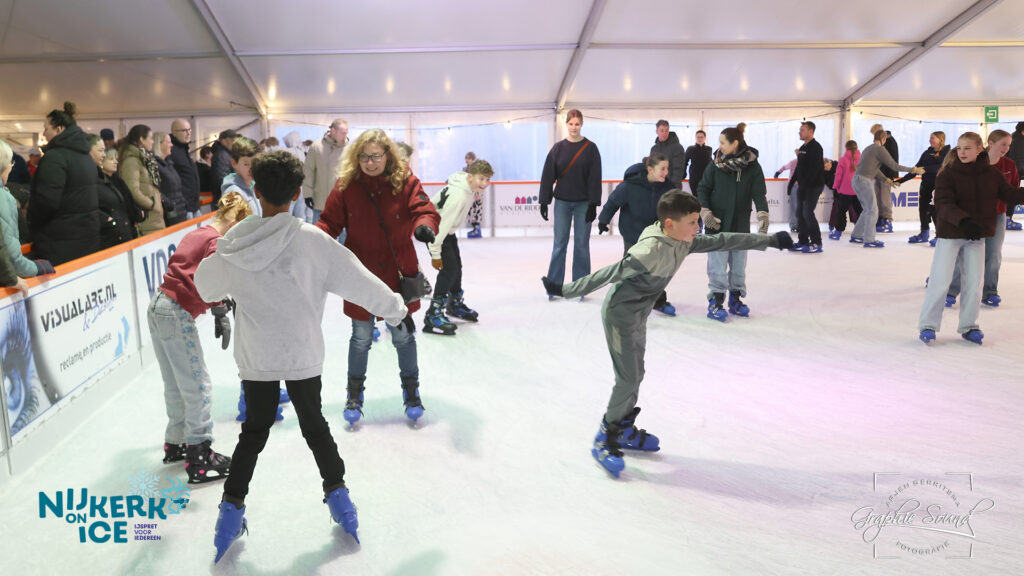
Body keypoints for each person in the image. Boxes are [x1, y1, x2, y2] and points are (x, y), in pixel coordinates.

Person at [194, 151, 408, 561]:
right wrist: (396, 310)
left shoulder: (236, 243)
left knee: (253, 433)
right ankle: (341, 502)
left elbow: (205, 286)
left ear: (256, 190)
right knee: (315, 427)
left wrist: (223, 253)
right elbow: (360, 281)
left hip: (257, 357)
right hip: (301, 353)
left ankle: (229, 514)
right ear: (297, 193)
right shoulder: (313, 241)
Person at [541, 190, 793, 477]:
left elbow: (723, 239)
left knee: (636, 374)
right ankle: (605, 437)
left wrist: (770, 240)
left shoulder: (684, 240)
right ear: (670, 224)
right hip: (619, 316)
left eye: (698, 220)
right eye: (693, 222)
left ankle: (622, 427)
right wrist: (564, 290)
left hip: (639, 315)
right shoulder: (648, 251)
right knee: (627, 378)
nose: (698, 227)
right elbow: (609, 274)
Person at [316, 128, 440, 427]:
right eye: (363, 157)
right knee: (361, 337)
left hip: (398, 271)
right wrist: (310, 240)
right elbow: (329, 222)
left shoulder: (406, 181)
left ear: (387, 156)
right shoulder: (347, 184)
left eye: (375, 156)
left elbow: (424, 208)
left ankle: (412, 392)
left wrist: (424, 225)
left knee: (402, 336)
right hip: (360, 271)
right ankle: (354, 395)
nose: (369, 163)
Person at [150, 191, 252, 488]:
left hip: (158, 306)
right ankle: (199, 454)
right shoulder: (216, 242)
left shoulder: (197, 232)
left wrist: (218, 306)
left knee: (175, 384)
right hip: (176, 311)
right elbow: (212, 276)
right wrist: (220, 308)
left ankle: (177, 442)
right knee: (198, 385)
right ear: (234, 221)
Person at [918, 132, 1024, 345]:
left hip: (977, 236)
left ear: (979, 149)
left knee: (974, 282)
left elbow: (1009, 194)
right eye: (959, 148)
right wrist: (964, 221)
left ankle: (969, 325)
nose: (962, 152)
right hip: (951, 234)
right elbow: (944, 204)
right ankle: (928, 325)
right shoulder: (948, 174)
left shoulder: (991, 174)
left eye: (967, 148)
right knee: (940, 281)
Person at [697, 126, 771, 319]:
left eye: (723, 143)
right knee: (717, 267)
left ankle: (735, 299)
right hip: (717, 224)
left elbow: (759, 193)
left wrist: (763, 214)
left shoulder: (752, 166)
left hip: (740, 224)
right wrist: (705, 212)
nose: (719, 146)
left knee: (738, 266)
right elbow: (703, 189)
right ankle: (716, 301)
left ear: (735, 143)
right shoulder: (715, 164)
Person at [598, 153, 676, 315]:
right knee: (632, 269)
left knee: (657, 270)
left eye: (667, 168)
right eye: (662, 169)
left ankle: (658, 300)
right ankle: (625, 301)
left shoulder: (668, 188)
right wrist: (603, 221)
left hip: (656, 236)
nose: (666, 172)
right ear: (650, 169)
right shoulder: (630, 185)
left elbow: (679, 207)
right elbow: (612, 202)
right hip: (633, 234)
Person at [946, 129, 1017, 308]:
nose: (1006, 148)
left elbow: (1013, 192)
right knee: (965, 254)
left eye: (1009, 145)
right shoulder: (974, 163)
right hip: (973, 215)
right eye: (1003, 144)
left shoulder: (1009, 165)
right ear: (990, 143)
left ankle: (990, 292)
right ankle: (951, 291)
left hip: (997, 215)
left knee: (993, 254)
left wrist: (1008, 212)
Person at [423, 159, 494, 335]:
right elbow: (441, 225)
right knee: (449, 270)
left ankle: (454, 304)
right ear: (470, 177)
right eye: (481, 179)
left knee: (457, 267)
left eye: (487, 179)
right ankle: (433, 313)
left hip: (447, 231)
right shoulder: (459, 195)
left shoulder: (467, 186)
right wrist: (435, 254)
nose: (484, 183)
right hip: (435, 231)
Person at [538, 109, 602, 296]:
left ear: (582, 124)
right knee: (559, 244)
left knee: (581, 244)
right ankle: (554, 285)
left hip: (583, 204)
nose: (574, 127)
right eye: (571, 124)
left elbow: (595, 177)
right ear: (566, 124)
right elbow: (548, 175)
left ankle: (580, 286)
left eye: (577, 124)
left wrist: (593, 204)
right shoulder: (558, 148)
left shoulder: (591, 148)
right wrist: (544, 201)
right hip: (562, 203)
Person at [28, 101, 100, 265]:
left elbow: (46, 202)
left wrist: (32, 222)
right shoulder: (85, 156)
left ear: (59, 129)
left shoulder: (55, 157)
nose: (44, 133)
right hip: (86, 237)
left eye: (46, 128)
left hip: (60, 241)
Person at [849, 130, 923, 248]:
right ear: (884, 139)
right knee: (873, 211)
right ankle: (869, 240)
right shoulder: (880, 149)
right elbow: (894, 165)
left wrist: (885, 179)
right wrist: (912, 170)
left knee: (867, 209)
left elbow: (874, 168)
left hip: (856, 180)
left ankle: (857, 235)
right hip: (864, 181)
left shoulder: (868, 148)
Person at [0, 139, 52, 280]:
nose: (11, 168)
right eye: (10, 163)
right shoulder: (5, 198)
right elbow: (13, 260)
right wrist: (40, 267)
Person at [896, 131, 950, 244]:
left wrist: (925, 169)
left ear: (940, 139)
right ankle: (924, 233)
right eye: (930, 138)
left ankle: (940, 236)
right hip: (925, 186)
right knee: (923, 209)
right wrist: (900, 181)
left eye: (933, 138)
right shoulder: (927, 153)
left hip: (938, 186)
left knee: (935, 210)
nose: (930, 140)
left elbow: (940, 167)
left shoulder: (947, 153)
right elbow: (916, 169)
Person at [91, 137, 143, 249]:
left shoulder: (118, 181)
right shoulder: (98, 182)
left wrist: (137, 213)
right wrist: (108, 220)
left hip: (124, 230)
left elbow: (127, 202)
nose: (116, 162)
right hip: (112, 236)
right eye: (111, 159)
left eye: (116, 159)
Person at [118, 124, 165, 235]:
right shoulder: (131, 161)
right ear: (142, 140)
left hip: (154, 218)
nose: (152, 142)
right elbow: (132, 190)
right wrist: (151, 204)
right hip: (146, 220)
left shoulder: (144, 159)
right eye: (150, 138)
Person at [303, 118, 349, 223]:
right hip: (320, 202)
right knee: (319, 232)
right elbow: (308, 171)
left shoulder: (350, 149)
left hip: (342, 204)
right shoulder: (316, 147)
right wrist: (307, 195)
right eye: (342, 133)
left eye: (346, 133)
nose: (345, 136)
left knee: (342, 233)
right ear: (333, 131)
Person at [793, 121, 825, 253]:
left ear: (811, 131)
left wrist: (805, 186)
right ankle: (803, 240)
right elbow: (800, 167)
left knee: (807, 212)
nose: (799, 132)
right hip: (803, 186)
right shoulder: (803, 147)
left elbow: (814, 170)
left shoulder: (816, 147)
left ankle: (817, 242)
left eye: (803, 130)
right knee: (799, 213)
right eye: (800, 130)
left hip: (813, 186)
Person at [828, 141, 863, 241]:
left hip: (845, 191)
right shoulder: (861, 159)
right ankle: (861, 231)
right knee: (860, 211)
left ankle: (838, 232)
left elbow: (838, 176)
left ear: (846, 148)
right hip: (858, 190)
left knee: (841, 212)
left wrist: (836, 187)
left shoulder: (843, 160)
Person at [152, 131, 187, 226]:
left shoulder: (169, 164)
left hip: (180, 211)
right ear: (159, 144)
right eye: (168, 142)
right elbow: (156, 190)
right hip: (170, 214)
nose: (171, 145)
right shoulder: (155, 165)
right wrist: (170, 205)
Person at [168, 118, 201, 219]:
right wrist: (184, 205)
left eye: (189, 130)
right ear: (174, 132)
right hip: (184, 209)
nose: (188, 133)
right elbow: (172, 183)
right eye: (184, 130)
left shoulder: (184, 149)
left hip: (194, 206)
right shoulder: (171, 151)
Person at [220, 137, 261, 216]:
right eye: (246, 164)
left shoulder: (254, 185)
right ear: (234, 163)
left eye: (255, 163)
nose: (251, 169)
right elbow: (229, 221)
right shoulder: (232, 192)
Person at [870, 123, 899, 233]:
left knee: (885, 198)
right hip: (879, 174)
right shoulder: (881, 143)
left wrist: (891, 176)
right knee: (878, 197)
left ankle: (888, 220)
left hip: (887, 175)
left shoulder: (890, 142)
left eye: (874, 135)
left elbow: (892, 161)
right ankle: (880, 218)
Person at [650, 120, 687, 190]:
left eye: (666, 130)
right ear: (657, 132)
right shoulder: (654, 149)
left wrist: (672, 187)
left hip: (671, 187)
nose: (664, 133)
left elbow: (678, 170)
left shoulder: (677, 148)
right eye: (662, 130)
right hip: (656, 187)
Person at [1003, 121, 1024, 230]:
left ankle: (1007, 218)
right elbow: (1018, 159)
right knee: (1013, 194)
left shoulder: (1014, 137)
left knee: (1011, 193)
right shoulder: (1019, 140)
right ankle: (1007, 219)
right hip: (1016, 171)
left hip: (1012, 171)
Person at [209, 129, 238, 205]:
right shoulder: (222, 156)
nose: (235, 143)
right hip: (225, 199)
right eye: (232, 140)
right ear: (223, 141)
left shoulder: (226, 154)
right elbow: (223, 180)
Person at [775, 157, 800, 233]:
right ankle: (794, 225)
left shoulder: (808, 161)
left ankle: (800, 224)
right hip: (794, 185)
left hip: (803, 186)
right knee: (794, 206)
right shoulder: (794, 162)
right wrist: (778, 173)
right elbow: (784, 167)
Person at [462, 151, 484, 239]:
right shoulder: (465, 169)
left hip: (476, 192)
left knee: (476, 210)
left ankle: (477, 229)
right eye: (466, 158)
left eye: (469, 158)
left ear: (473, 159)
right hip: (469, 192)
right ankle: (474, 228)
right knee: (470, 211)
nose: (467, 160)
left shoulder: (477, 169)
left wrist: (478, 193)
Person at [684, 130, 712, 195]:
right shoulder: (691, 149)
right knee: (695, 196)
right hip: (694, 177)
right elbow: (684, 162)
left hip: (706, 178)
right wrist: (683, 174)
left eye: (701, 137)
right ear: (695, 138)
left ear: (705, 138)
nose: (699, 139)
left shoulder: (709, 149)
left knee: (705, 196)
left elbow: (710, 162)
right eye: (698, 137)